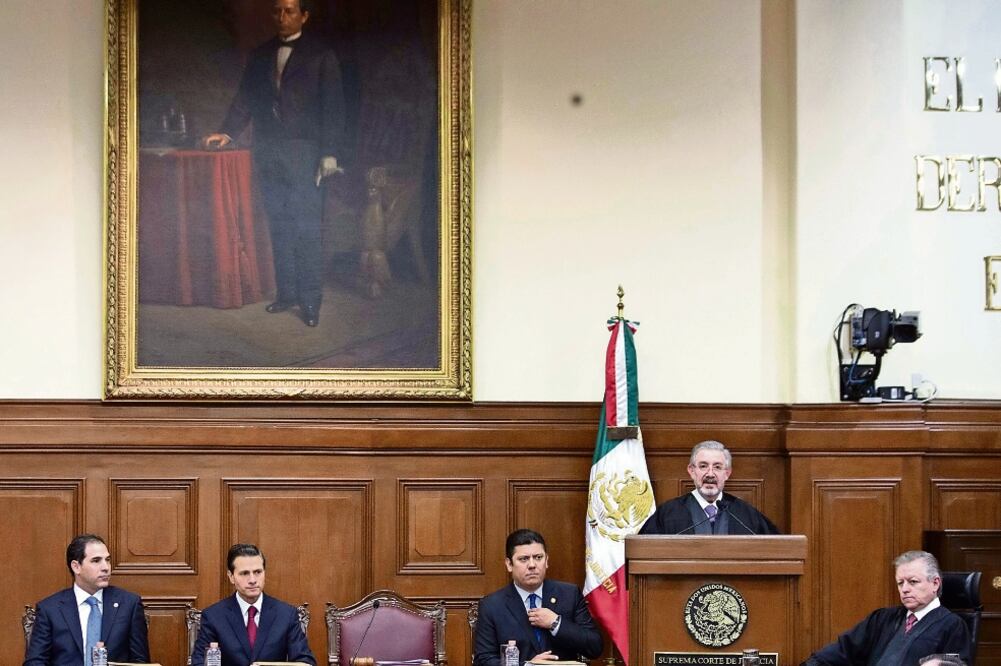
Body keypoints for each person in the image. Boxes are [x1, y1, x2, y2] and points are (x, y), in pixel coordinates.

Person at [204, 0, 345, 328]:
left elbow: (333, 108)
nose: (282, 18)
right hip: (267, 151)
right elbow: (245, 100)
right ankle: (287, 294)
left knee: (306, 228)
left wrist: (329, 154)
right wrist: (227, 132)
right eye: (277, 11)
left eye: (290, 11)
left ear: (304, 16)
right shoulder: (260, 54)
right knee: (279, 224)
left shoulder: (322, 54)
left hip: (305, 153)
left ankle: (311, 300)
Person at [802, 551, 971, 665]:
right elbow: (840, 651)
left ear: (935, 583)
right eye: (900, 583)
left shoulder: (953, 626)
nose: (904, 589)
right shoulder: (882, 618)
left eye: (913, 582)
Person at [473, 529, 603, 666]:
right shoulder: (492, 605)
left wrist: (556, 623)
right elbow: (483, 661)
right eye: (523, 559)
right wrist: (527, 665)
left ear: (546, 560)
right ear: (509, 564)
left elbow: (594, 647)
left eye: (538, 557)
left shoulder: (569, 594)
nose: (532, 565)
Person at [23, 534, 150, 666]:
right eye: (96, 561)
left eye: (107, 560)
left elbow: (140, 662)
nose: (106, 567)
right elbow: (35, 662)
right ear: (76, 566)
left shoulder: (129, 604)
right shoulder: (50, 609)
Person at [190, 543, 315, 666]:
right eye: (244, 573)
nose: (252, 580)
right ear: (231, 576)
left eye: (257, 572)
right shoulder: (213, 616)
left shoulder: (286, 614)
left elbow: (305, 662)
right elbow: (199, 662)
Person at [638, 440, 780, 535]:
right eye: (703, 466)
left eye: (717, 467)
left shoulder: (745, 515)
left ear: (727, 473)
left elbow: (775, 549)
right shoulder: (668, 513)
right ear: (691, 471)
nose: (710, 474)